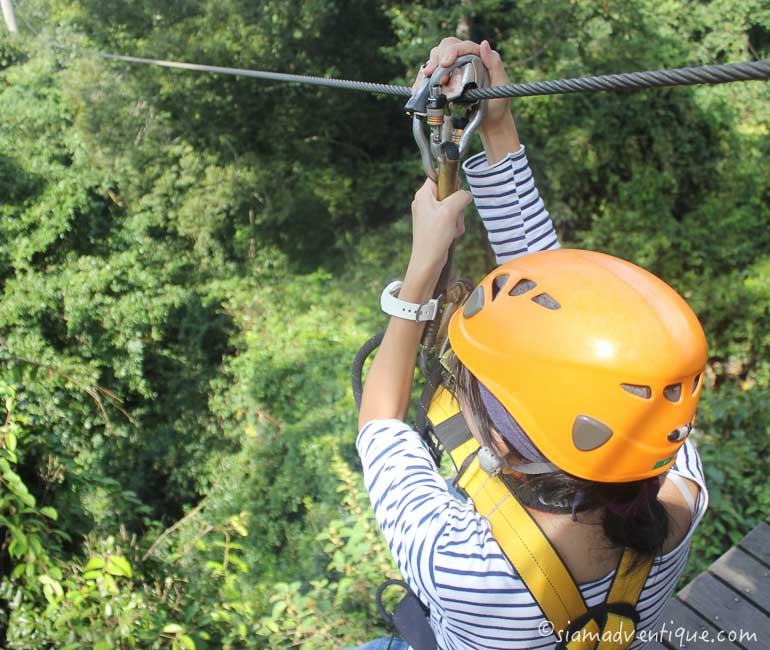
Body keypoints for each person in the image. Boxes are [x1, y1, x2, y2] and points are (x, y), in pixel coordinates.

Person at [355, 38, 708, 650]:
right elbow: (555, 301)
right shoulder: (681, 489)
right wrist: (499, 126)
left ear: (498, 438)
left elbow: (379, 423)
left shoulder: (463, 571)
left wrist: (422, 263)